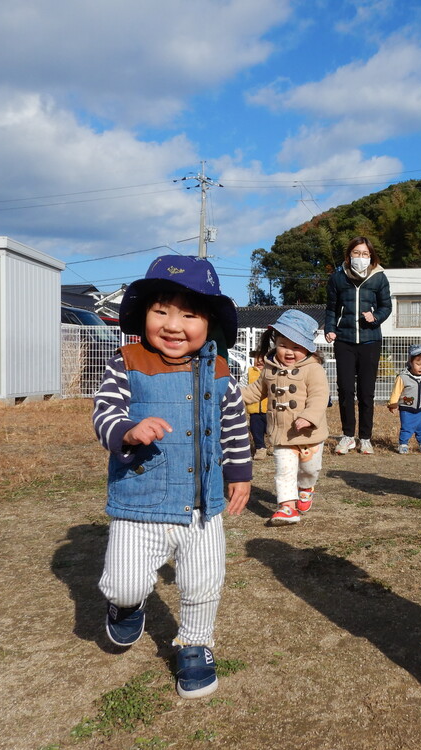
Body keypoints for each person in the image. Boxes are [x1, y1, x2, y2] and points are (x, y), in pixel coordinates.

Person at [92, 255, 252, 700]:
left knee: (203, 582)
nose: (173, 324)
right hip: (139, 499)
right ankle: (126, 605)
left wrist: (239, 472)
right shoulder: (126, 361)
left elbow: (234, 426)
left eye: (189, 314)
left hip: (203, 506)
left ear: (209, 322)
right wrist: (127, 430)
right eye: (161, 310)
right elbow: (104, 413)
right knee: (123, 581)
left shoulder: (221, 372)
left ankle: (196, 644)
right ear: (143, 314)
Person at [242, 309, 329, 526]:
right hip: (281, 434)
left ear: (308, 348)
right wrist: (232, 396)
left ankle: (306, 488)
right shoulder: (269, 369)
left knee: (310, 470)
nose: (289, 352)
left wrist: (309, 417)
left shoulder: (313, 369)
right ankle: (287, 507)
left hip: (309, 434)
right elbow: (254, 392)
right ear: (275, 342)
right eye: (283, 345)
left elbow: (320, 396)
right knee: (284, 470)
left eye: (296, 347)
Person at [324, 236, 392, 455]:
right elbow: (331, 308)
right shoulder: (337, 278)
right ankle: (347, 436)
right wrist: (330, 328)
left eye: (365, 254)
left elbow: (386, 306)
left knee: (366, 392)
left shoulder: (379, 277)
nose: (360, 257)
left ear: (370, 256)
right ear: (349, 255)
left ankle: (365, 438)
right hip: (344, 340)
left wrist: (376, 317)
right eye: (356, 253)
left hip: (370, 340)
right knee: (344, 389)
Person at [246, 351, 269, 460]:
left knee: (272, 429)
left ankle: (275, 445)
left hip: (269, 409)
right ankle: (260, 448)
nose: (259, 360)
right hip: (254, 410)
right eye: (256, 358)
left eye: (262, 358)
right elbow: (243, 386)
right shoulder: (249, 372)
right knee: (256, 430)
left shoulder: (271, 372)